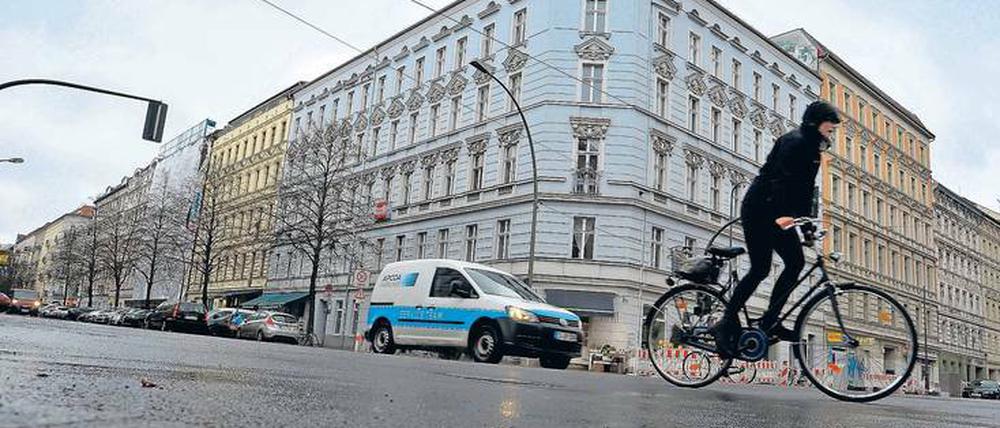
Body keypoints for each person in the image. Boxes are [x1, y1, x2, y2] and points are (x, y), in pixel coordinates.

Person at [713, 100, 840, 358]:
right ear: (816, 122)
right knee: (762, 268)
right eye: (830, 127)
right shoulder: (795, 142)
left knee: (794, 263)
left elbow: (805, 192)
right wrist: (786, 217)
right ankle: (726, 322)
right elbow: (780, 182)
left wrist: (805, 228)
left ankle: (770, 320)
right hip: (760, 208)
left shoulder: (813, 150)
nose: (832, 132)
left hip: (776, 212)